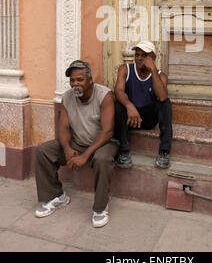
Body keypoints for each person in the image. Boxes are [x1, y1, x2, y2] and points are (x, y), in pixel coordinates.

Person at [34, 60, 118, 228]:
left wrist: (85, 156)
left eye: (80, 80)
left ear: (90, 80)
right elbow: (63, 127)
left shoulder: (105, 95)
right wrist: (67, 149)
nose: (75, 84)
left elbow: (108, 131)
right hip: (78, 142)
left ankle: (100, 208)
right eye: (72, 80)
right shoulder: (67, 97)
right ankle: (56, 197)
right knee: (43, 151)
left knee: (102, 159)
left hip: (102, 143)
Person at [114, 41, 173, 169]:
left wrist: (152, 70)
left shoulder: (161, 76)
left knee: (165, 104)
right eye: (137, 54)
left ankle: (164, 152)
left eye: (144, 55)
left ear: (153, 58)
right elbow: (118, 91)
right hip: (129, 119)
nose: (139, 58)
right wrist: (130, 106)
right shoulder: (125, 69)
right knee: (118, 104)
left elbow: (162, 97)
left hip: (147, 119)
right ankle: (123, 152)